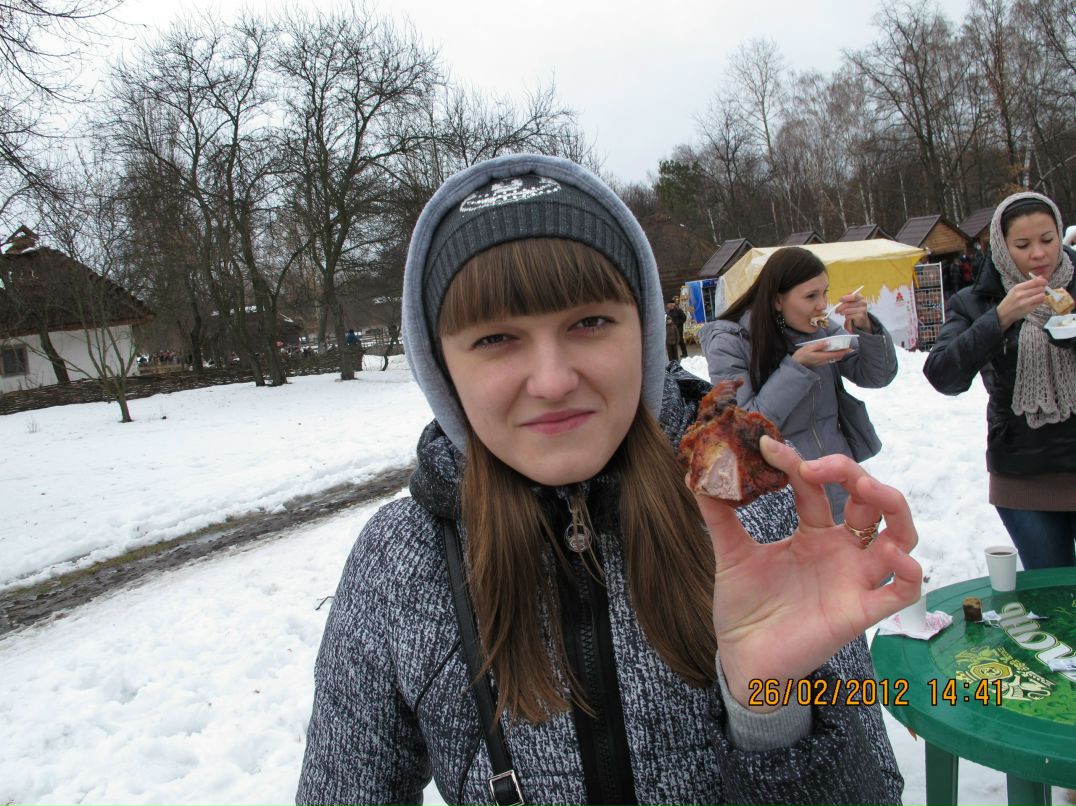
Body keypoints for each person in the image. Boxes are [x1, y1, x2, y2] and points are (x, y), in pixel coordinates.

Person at [297, 154, 921, 805]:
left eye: (589, 323)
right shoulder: (400, 565)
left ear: (646, 332)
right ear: (440, 367)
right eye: (496, 339)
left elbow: (866, 786)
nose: (553, 380)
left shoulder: (756, 512)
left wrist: (774, 713)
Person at [924, 191, 1076, 569]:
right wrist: (999, 319)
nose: (1038, 254)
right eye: (1022, 244)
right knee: (1052, 597)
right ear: (1002, 248)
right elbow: (943, 376)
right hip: (1023, 475)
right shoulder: (976, 302)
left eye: (1047, 240)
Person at [699, 247, 898, 520]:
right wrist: (797, 366)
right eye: (811, 296)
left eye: (825, 292)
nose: (822, 305)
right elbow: (742, 427)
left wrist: (866, 327)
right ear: (778, 300)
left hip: (839, 479)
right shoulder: (731, 343)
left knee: (863, 557)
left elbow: (877, 375)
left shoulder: (821, 328)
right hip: (783, 495)